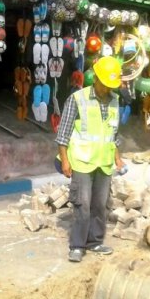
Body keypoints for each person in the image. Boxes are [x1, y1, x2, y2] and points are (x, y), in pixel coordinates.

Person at [55, 56, 125, 263]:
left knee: (99, 204)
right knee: (82, 204)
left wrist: (117, 157)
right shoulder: (78, 99)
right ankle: (77, 245)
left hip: (103, 162)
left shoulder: (114, 101)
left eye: (111, 85)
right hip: (82, 161)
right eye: (105, 84)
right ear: (95, 79)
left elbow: (114, 133)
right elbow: (63, 134)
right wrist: (65, 161)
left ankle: (95, 241)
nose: (107, 89)